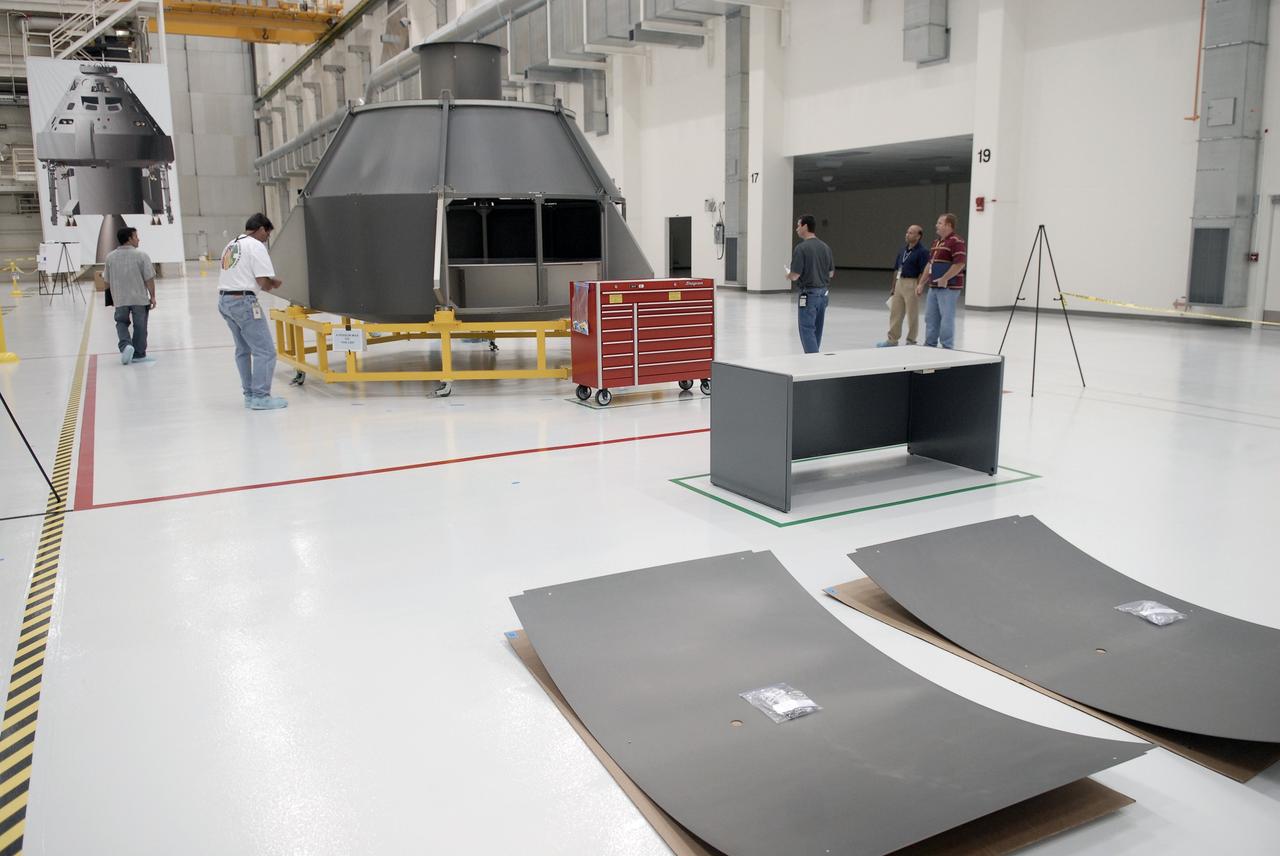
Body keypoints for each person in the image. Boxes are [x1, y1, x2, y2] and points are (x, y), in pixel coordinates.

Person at [218, 213, 287, 410]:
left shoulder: (231, 244)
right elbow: (263, 283)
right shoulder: (256, 246)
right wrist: (274, 283)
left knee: (243, 350)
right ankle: (261, 397)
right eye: (267, 234)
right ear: (261, 229)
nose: (267, 239)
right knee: (265, 351)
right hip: (243, 302)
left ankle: (249, 394)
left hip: (225, 301)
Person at [102, 226, 156, 365]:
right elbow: (149, 278)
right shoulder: (141, 256)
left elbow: (106, 281)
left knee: (121, 323)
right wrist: (153, 296)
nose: (138, 239)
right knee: (140, 326)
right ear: (129, 239)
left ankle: (126, 346)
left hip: (120, 298)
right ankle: (138, 354)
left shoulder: (110, 257)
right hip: (139, 298)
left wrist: (110, 299)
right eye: (136, 236)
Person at [785, 214, 835, 353]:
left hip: (809, 295)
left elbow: (795, 275)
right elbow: (831, 273)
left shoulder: (801, 248)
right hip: (823, 295)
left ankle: (813, 362)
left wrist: (788, 275)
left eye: (798, 225)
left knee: (807, 330)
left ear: (805, 226)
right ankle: (814, 357)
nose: (796, 229)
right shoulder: (825, 247)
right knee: (817, 329)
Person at [877, 224, 929, 347]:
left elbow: (923, 271)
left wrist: (919, 285)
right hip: (900, 282)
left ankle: (911, 340)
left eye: (911, 233)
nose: (907, 234)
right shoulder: (903, 250)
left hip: (912, 282)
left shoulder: (923, 252)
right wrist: (894, 286)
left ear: (918, 236)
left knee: (912, 313)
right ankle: (892, 339)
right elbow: (896, 269)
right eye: (907, 232)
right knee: (895, 312)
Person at [923, 213, 967, 349]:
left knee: (946, 318)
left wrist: (945, 278)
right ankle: (930, 344)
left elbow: (960, 264)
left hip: (948, 288)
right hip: (934, 287)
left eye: (939, 223)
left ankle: (947, 346)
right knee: (930, 318)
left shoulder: (956, 241)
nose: (936, 225)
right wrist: (921, 283)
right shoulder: (936, 242)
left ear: (949, 225)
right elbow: (930, 264)